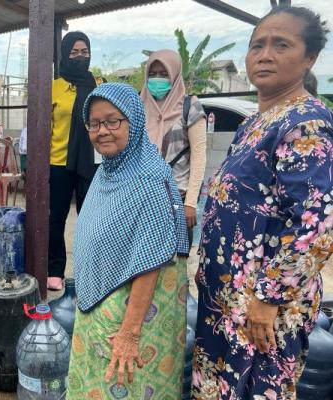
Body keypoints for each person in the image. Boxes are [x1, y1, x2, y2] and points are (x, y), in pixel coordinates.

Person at [192, 6, 333, 399]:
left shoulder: (305, 124)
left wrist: (269, 300)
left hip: (262, 309)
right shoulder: (255, 123)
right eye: (258, 45)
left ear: (309, 58)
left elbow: (316, 224)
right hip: (228, 300)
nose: (265, 54)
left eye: (281, 44)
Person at [67, 83, 189, 399]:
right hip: (102, 309)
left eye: (112, 121)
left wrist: (129, 334)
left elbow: (151, 258)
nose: (102, 131)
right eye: (94, 124)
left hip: (133, 321)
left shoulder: (147, 178)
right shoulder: (109, 170)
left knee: (128, 387)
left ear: (133, 122)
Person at [140, 49, 207, 247]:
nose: (157, 79)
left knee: (173, 267)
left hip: (177, 199)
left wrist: (190, 203)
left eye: (164, 74)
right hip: (142, 198)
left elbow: (199, 155)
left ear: (174, 75)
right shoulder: (138, 106)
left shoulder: (190, 106)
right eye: (153, 74)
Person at [48, 31, 98, 290]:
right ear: (65, 55)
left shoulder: (99, 84)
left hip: (91, 163)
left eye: (85, 52)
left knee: (89, 218)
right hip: (58, 162)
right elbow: (45, 126)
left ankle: (88, 269)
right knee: (56, 217)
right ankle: (54, 270)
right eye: (74, 52)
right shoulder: (54, 87)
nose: (80, 57)